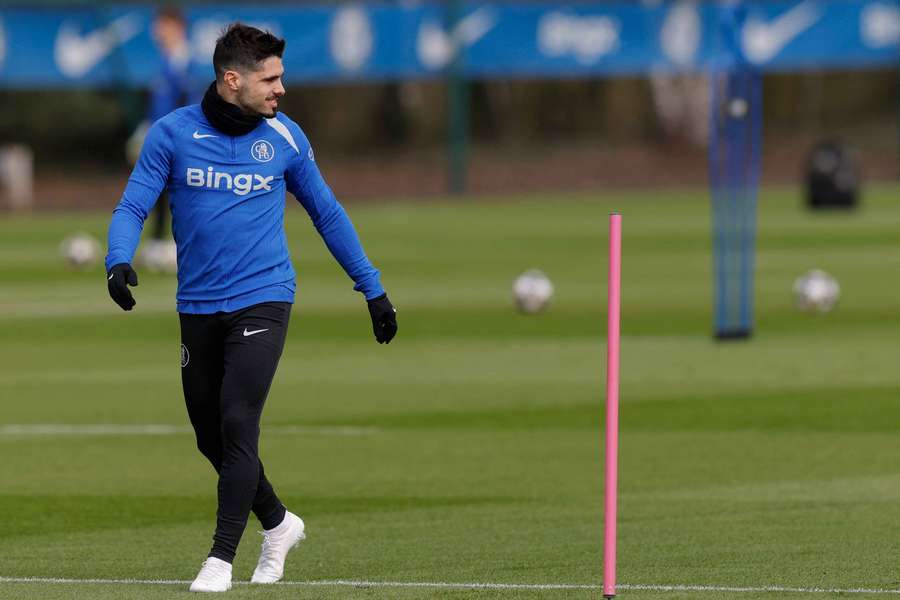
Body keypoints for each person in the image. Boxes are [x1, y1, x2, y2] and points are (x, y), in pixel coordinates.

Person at [105, 23, 398, 592]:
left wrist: (372, 288)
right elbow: (133, 205)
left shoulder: (285, 138)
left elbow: (328, 214)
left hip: (264, 297)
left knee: (239, 419)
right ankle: (280, 522)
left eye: (281, 77)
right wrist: (118, 260)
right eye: (271, 78)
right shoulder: (171, 135)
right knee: (209, 436)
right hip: (197, 304)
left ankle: (220, 559)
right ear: (231, 80)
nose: (281, 89)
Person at [125, 6, 203, 272]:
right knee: (159, 187)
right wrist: (144, 131)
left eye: (161, 25)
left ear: (176, 26)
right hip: (161, 136)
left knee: (182, 190)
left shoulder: (186, 61)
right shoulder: (166, 61)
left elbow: (189, 102)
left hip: (179, 138)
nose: (155, 31)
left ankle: (177, 246)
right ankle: (158, 243)